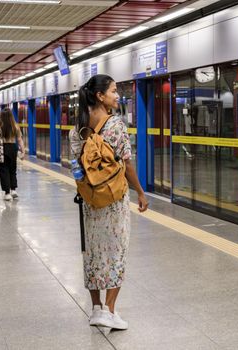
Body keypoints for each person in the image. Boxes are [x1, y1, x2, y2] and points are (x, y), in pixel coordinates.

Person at [69, 74, 148, 330]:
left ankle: (96, 309)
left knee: (92, 251)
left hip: (90, 200)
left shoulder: (77, 128)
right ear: (100, 96)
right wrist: (140, 192)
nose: (118, 95)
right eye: (114, 91)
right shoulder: (116, 124)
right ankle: (111, 311)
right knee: (117, 251)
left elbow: (76, 166)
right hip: (114, 199)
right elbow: (126, 164)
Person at [0, 108, 24, 201]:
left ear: (1, 116)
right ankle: (13, 190)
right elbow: (19, 140)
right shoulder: (15, 126)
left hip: (1, 149)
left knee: (3, 171)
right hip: (13, 148)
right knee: (12, 169)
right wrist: (23, 151)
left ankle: (7, 193)